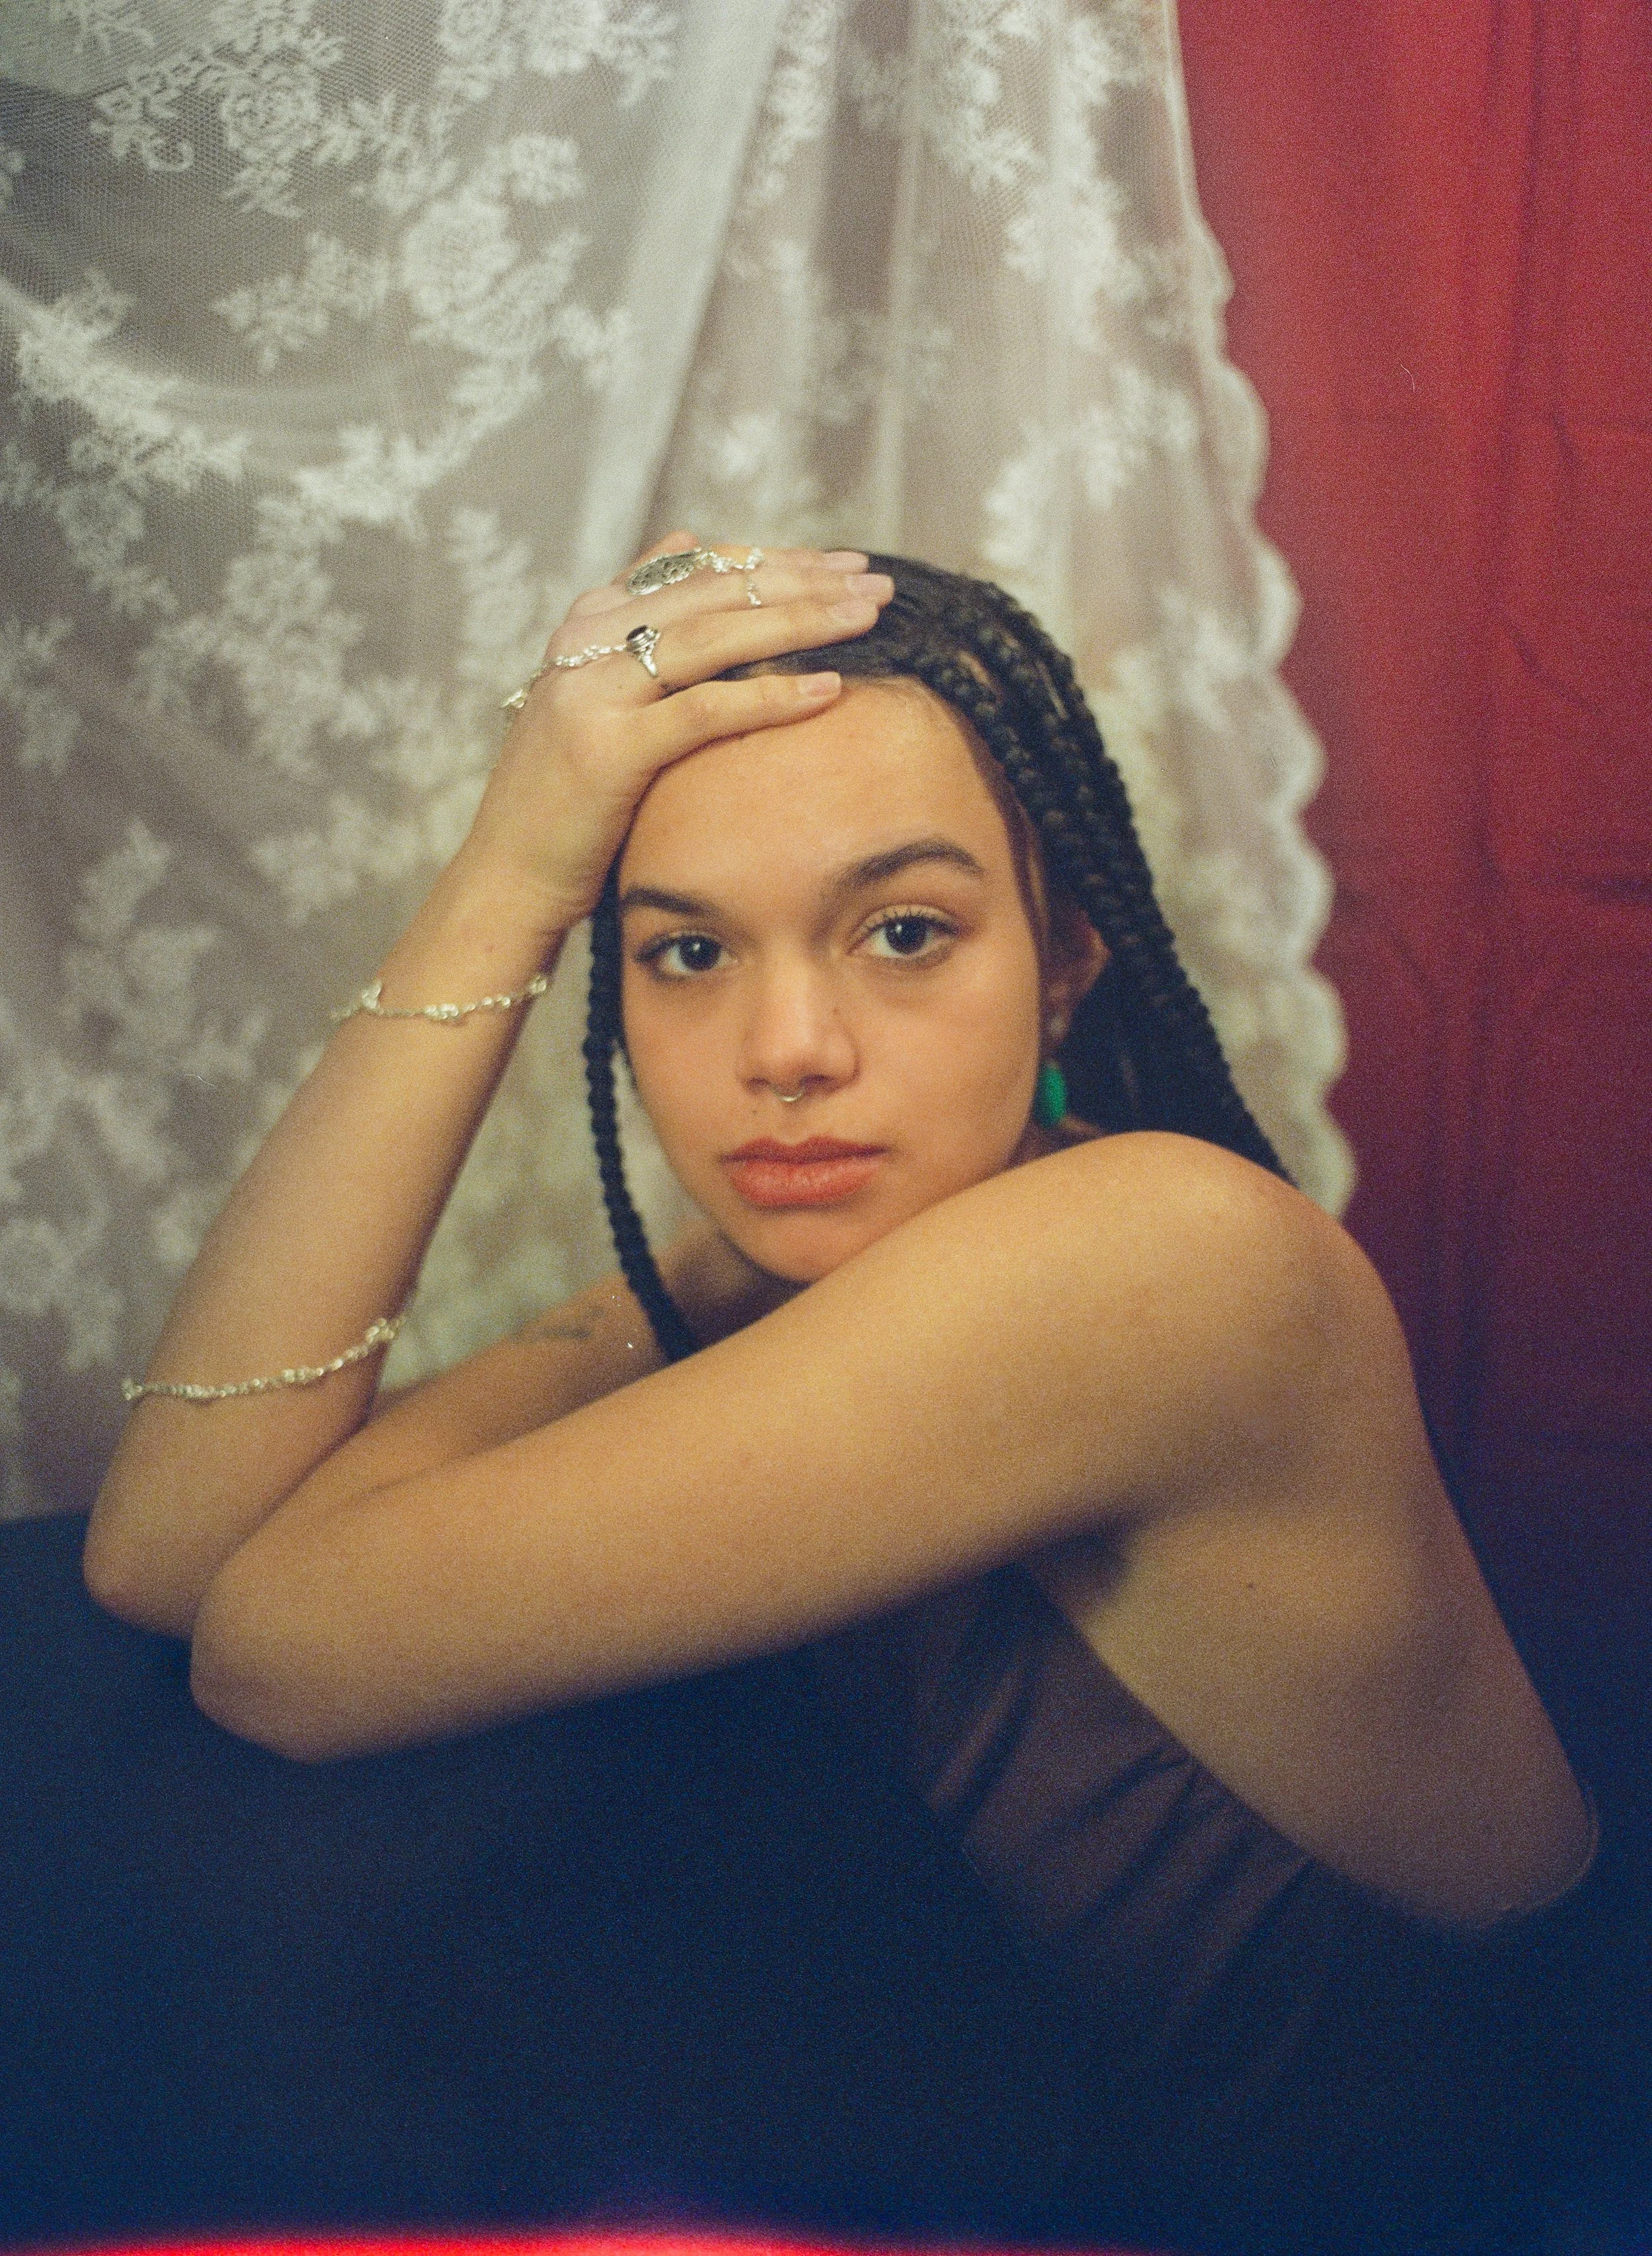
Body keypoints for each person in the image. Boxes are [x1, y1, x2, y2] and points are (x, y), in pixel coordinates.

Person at [84, 540, 1606, 2252]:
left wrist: (518, 869)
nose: (788, 1043)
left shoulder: (1156, 1261)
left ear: (1063, 956)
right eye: (683, 953)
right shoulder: (794, 1264)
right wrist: (507, 874)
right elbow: (170, 1551)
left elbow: (279, 1641)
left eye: (902, 930)